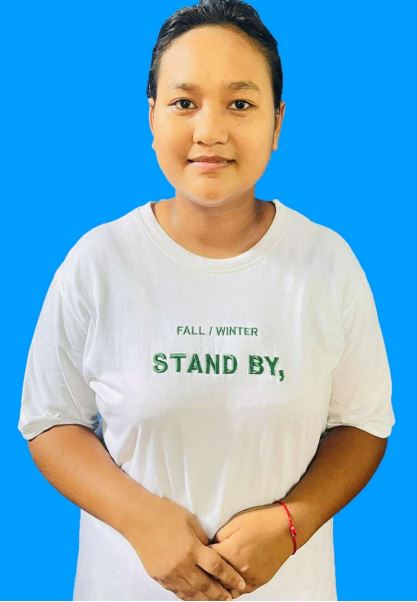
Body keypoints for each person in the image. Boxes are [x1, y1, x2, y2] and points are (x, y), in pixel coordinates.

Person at [17, 0, 396, 600]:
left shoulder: (327, 264)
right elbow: (50, 420)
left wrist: (291, 524)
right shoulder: (99, 262)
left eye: (240, 104)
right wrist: (140, 519)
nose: (210, 131)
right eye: (184, 102)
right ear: (152, 115)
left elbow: (364, 423)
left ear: (277, 122)